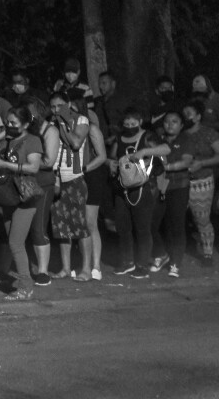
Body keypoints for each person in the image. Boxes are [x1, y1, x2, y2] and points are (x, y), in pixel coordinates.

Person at [0, 106, 44, 300]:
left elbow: (33, 167)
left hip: (25, 195)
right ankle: (21, 281)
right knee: (13, 241)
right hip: (10, 194)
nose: (10, 125)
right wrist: (3, 134)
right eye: (7, 122)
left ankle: (26, 287)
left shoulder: (32, 140)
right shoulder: (10, 139)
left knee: (15, 243)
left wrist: (5, 165)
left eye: (13, 123)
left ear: (26, 124)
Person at [108, 107, 170, 278]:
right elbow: (112, 156)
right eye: (126, 123)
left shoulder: (147, 136)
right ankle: (127, 262)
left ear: (140, 122)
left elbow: (165, 149)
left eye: (133, 123)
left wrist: (144, 151)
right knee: (123, 227)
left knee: (143, 228)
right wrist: (110, 164)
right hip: (122, 187)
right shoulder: (119, 138)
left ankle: (142, 264)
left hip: (143, 187)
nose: (129, 126)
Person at [48, 91, 93, 281]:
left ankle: (86, 268)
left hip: (74, 178)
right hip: (57, 178)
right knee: (61, 226)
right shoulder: (50, 124)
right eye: (52, 107)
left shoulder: (81, 120)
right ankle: (66, 268)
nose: (55, 110)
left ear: (67, 104)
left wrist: (62, 126)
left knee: (80, 225)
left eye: (59, 106)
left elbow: (75, 143)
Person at [150, 110, 192, 278]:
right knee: (152, 223)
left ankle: (175, 263)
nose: (169, 124)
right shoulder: (158, 139)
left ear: (181, 125)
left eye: (174, 121)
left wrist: (167, 167)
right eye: (167, 121)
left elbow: (186, 161)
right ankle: (161, 254)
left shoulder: (185, 139)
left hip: (179, 186)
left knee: (176, 225)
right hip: (160, 187)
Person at [22, 97, 59, 286]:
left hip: (43, 183)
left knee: (38, 227)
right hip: (23, 182)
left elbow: (49, 161)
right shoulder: (24, 128)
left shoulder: (50, 131)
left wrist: (29, 163)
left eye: (30, 112)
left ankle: (43, 271)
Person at [74, 98, 109, 280]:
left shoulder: (91, 128)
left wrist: (84, 169)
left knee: (90, 223)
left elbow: (102, 156)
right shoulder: (67, 129)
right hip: (74, 175)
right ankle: (82, 264)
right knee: (79, 223)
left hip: (92, 174)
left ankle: (95, 266)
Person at [182, 101, 219, 266]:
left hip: (201, 181)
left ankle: (207, 254)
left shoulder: (208, 133)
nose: (185, 117)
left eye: (189, 113)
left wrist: (202, 163)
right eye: (183, 114)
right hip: (180, 181)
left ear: (198, 116)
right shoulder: (179, 134)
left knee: (202, 219)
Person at [95, 71, 126, 146]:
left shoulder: (121, 101)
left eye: (104, 83)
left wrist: (115, 137)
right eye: (99, 84)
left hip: (117, 144)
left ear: (113, 84)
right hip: (101, 144)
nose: (101, 86)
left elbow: (128, 123)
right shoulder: (97, 102)